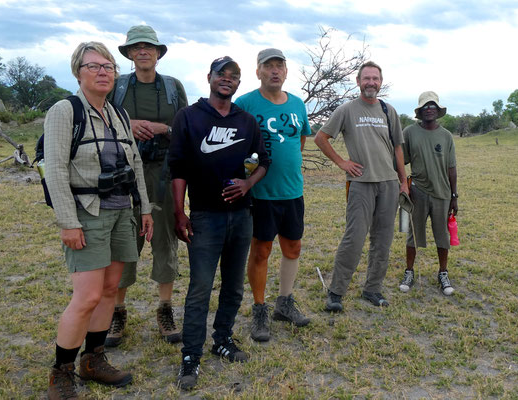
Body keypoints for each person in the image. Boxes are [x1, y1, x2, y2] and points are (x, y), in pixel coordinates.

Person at [44, 41, 153, 399]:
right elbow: (56, 169)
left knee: (110, 290)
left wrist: (146, 209)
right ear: (78, 72)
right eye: (94, 66)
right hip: (87, 212)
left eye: (108, 66)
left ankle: (94, 360)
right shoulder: (65, 110)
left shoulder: (117, 113)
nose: (103, 71)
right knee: (86, 296)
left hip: (122, 212)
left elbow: (135, 164)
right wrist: (67, 221)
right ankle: (61, 371)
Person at [168, 56, 269, 390]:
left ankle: (222, 339)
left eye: (234, 76)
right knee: (199, 288)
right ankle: (191, 356)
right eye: (221, 74)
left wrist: (247, 184)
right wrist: (179, 212)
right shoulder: (189, 117)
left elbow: (262, 163)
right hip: (204, 217)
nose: (227, 80)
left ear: (239, 83)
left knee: (234, 285)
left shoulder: (247, 121)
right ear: (209, 77)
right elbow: (178, 167)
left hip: (241, 216)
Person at [104, 25, 188, 347]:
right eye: (136, 47)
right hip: (123, 172)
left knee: (166, 237)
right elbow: (102, 119)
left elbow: (185, 127)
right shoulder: (118, 86)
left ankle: (165, 309)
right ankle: (118, 311)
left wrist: (162, 127)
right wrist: (129, 125)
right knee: (124, 240)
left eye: (149, 47)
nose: (143, 51)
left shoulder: (172, 87)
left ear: (158, 53)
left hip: (164, 172)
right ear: (128, 53)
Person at [314, 61, 409, 312]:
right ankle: (336, 292)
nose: (371, 83)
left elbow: (398, 147)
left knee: (383, 240)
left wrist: (403, 181)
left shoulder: (389, 111)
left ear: (380, 82)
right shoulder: (347, 110)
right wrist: (342, 162)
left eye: (375, 79)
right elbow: (320, 138)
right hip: (361, 184)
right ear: (358, 82)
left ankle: (372, 289)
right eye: (366, 78)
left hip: (388, 184)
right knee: (354, 239)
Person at [234, 48, 311, 342]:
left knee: (293, 248)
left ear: (287, 72)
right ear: (258, 72)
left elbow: (300, 139)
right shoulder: (245, 104)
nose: (275, 71)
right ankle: (259, 309)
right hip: (260, 193)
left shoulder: (297, 104)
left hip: (292, 190)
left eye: (280, 66)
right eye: (269, 66)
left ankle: (285, 303)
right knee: (261, 250)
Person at [398, 91, 458, 296]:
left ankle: (443, 273)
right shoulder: (409, 132)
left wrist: (454, 196)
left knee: (442, 237)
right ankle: (409, 272)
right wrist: (403, 185)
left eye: (432, 105)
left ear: (438, 110)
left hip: (442, 194)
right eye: (425, 106)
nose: (429, 109)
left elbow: (451, 168)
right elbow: (400, 161)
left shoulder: (446, 136)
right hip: (417, 192)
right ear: (420, 111)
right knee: (412, 234)